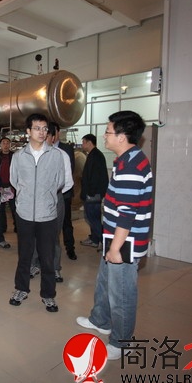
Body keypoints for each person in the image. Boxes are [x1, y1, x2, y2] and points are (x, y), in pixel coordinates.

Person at [76, 110, 153, 360]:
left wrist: (115, 248)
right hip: (115, 238)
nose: (104, 136)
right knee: (104, 283)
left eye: (108, 131)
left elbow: (127, 213)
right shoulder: (125, 159)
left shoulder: (131, 165)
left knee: (121, 294)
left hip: (124, 243)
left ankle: (121, 342)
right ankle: (101, 320)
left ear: (122, 136)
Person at [9, 114, 65, 312]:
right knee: (24, 254)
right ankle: (21, 289)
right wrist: (25, 199)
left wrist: (46, 197)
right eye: (37, 128)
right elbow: (14, 181)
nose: (42, 132)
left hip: (47, 215)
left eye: (44, 128)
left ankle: (48, 295)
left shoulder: (56, 155)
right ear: (28, 131)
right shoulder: (18, 156)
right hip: (24, 214)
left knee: (47, 257)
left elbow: (60, 181)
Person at [29, 122, 74, 283]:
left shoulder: (61, 155)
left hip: (55, 199)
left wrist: (51, 192)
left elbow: (68, 181)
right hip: (35, 200)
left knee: (53, 235)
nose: (43, 135)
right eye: (39, 131)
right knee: (35, 234)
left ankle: (54, 268)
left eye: (47, 133)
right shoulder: (31, 154)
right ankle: (34, 264)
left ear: (53, 137)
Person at [51, 124, 77, 260]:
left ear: (57, 132)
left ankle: (70, 248)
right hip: (48, 196)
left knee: (66, 222)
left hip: (64, 193)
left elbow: (70, 171)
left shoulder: (66, 149)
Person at [80, 133, 109, 250]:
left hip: (93, 194)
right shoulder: (93, 155)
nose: (82, 145)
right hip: (93, 193)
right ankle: (95, 239)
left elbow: (95, 177)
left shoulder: (96, 156)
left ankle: (103, 241)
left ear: (89, 143)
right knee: (92, 217)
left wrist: (90, 193)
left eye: (83, 142)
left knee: (92, 217)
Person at [0, 137, 16, 234]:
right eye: (3, 143)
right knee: (1, 209)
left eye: (7, 143)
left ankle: (17, 226)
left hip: (12, 186)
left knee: (14, 208)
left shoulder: (14, 156)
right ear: (0, 145)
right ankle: (2, 227)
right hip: (1, 186)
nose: (5, 145)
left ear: (10, 145)